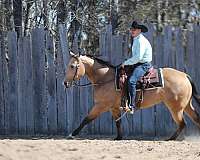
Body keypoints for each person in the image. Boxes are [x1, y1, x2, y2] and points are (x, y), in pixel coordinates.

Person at [121, 21, 152, 114]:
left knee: (131, 80)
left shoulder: (140, 41)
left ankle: (131, 106)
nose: (132, 31)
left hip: (143, 65)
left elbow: (138, 57)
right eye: (131, 29)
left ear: (139, 30)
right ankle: (124, 101)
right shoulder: (136, 39)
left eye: (134, 29)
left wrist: (126, 63)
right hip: (138, 63)